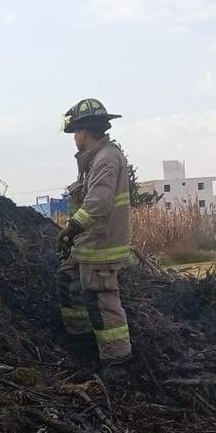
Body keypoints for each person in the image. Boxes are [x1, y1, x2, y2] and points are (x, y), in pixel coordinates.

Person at [54, 99, 134, 383]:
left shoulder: (105, 159)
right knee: (69, 281)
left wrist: (72, 228)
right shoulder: (94, 161)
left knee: (102, 300)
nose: (74, 138)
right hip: (88, 246)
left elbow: (98, 203)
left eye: (75, 132)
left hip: (102, 247)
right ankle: (80, 339)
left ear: (83, 132)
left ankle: (117, 361)